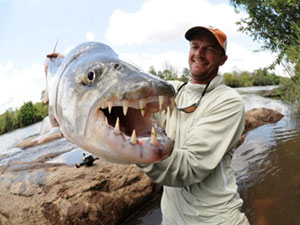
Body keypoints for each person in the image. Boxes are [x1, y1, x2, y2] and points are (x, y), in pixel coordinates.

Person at [137, 26, 250, 225]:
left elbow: (189, 166)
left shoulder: (228, 101)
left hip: (216, 219)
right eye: (195, 46)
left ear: (222, 60)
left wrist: (131, 147)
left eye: (210, 49)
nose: (199, 54)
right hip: (172, 218)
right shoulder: (172, 90)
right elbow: (130, 88)